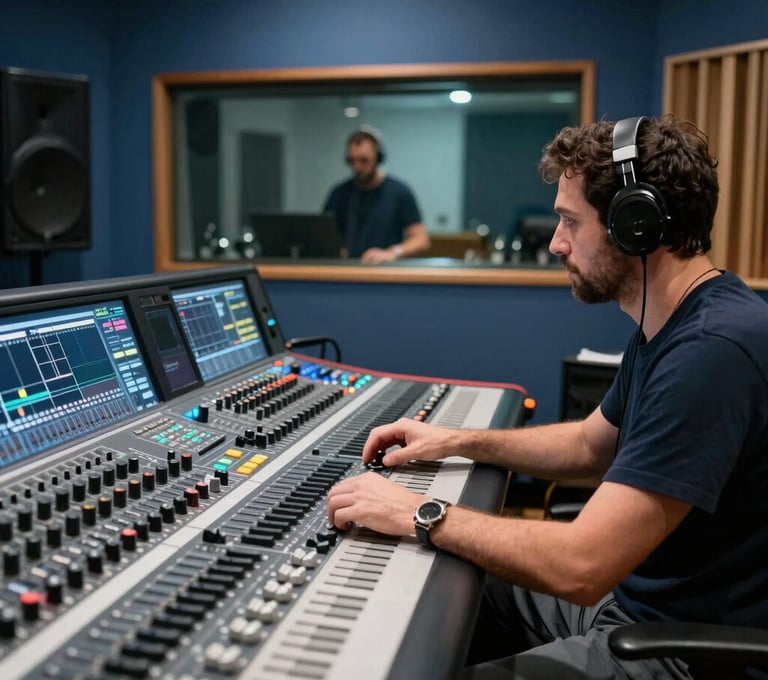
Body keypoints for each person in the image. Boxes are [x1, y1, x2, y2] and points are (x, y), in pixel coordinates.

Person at [326, 114, 768, 679]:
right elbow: (589, 444)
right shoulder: (674, 324)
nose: (556, 243)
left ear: (636, 226)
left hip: (681, 651)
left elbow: (583, 564)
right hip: (630, 604)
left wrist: (418, 510)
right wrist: (455, 440)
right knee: (419, 595)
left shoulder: (712, 352)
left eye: (569, 222)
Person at [323, 125, 430, 264]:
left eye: (364, 160)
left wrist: (393, 252)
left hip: (384, 273)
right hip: (347, 271)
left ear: (378, 158)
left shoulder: (399, 192)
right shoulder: (339, 192)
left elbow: (421, 240)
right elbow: (324, 235)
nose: (357, 167)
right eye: (352, 160)